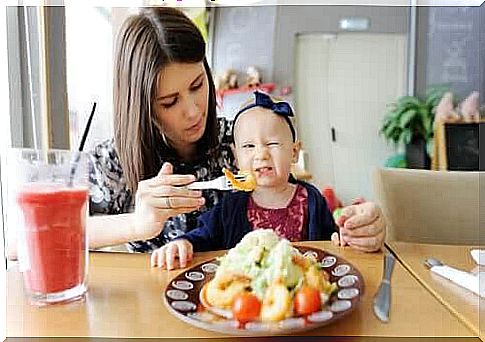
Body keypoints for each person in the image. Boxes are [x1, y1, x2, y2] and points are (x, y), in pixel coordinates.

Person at [86, 7, 385, 256]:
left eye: (197, 86)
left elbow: (293, 202)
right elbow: (64, 234)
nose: (193, 111)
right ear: (140, 106)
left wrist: (359, 226)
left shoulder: (240, 141)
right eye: (170, 101)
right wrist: (137, 225)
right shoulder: (113, 161)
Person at [151, 91, 384, 270]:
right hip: (247, 295)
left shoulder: (311, 199)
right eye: (249, 146)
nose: (261, 154)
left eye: (272, 144)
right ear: (235, 156)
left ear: (294, 152)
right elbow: (203, 236)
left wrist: (346, 236)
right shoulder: (230, 205)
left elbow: (331, 241)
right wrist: (182, 243)